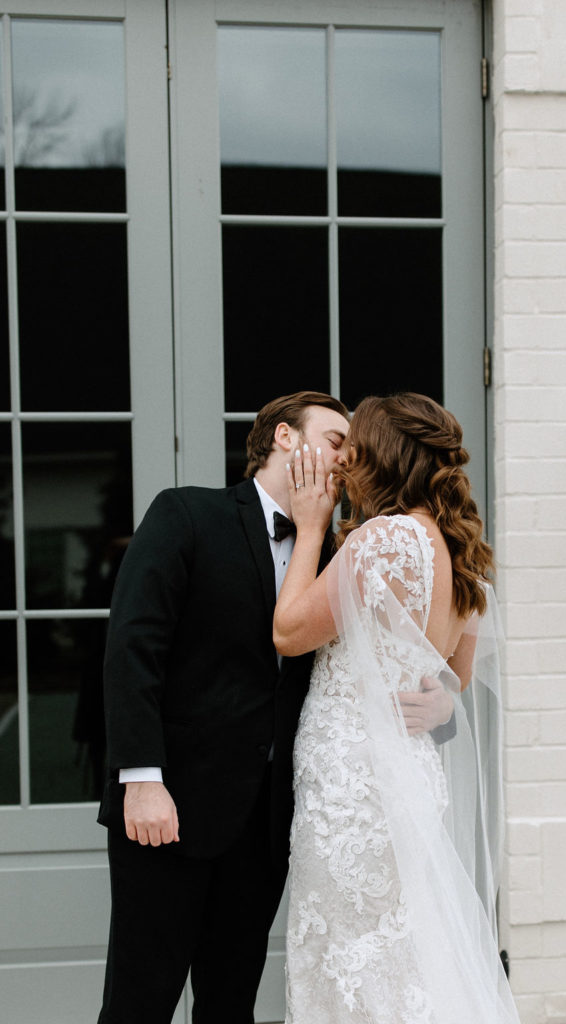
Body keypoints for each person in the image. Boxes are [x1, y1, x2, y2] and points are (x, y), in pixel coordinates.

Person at [96, 390, 454, 1024]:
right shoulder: (187, 514)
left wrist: (440, 705)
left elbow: (396, 661)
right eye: (337, 442)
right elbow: (133, 647)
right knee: (140, 999)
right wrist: (141, 778)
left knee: (231, 1004)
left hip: (272, 823)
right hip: (172, 806)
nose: (349, 460)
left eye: (357, 449)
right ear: (286, 438)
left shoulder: (352, 548)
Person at [274, 392, 521, 1023]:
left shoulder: (386, 538)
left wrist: (309, 529)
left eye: (353, 447)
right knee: (404, 949)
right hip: (406, 773)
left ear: (379, 456)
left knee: (351, 956)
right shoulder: (459, 551)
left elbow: (290, 632)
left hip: (354, 790)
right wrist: (439, 708)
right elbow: (453, 683)